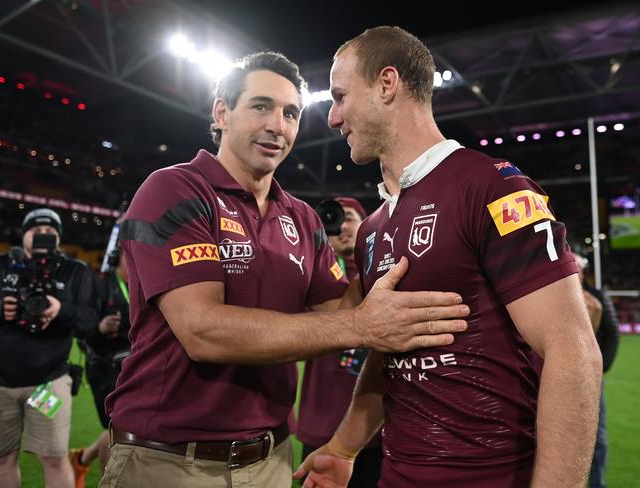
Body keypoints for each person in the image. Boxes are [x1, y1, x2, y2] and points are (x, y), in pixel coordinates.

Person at [100, 51, 469, 488]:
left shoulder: (302, 218)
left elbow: (338, 313)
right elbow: (203, 331)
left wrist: (397, 232)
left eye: (290, 113)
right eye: (261, 106)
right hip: (171, 462)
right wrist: (364, 325)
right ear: (221, 112)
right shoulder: (175, 189)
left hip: (273, 458)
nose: (278, 124)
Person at [295, 26, 603, 488]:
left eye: (340, 96)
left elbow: (573, 350)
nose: (333, 117)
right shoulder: (374, 228)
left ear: (387, 83)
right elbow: (390, 357)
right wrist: (343, 447)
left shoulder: (493, 187)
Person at [0, 208, 101, 488]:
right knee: (0, 460)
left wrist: (60, 308)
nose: (43, 236)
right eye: (36, 231)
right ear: (23, 234)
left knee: (53, 458)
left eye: (50, 232)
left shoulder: (75, 271)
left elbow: (90, 321)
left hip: (48, 383)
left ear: (60, 238)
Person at [298, 197, 382, 487]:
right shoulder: (309, 272)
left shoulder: (380, 272)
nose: (342, 226)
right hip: (319, 424)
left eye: (349, 217)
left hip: (373, 431)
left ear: (366, 225)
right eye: (333, 219)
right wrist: (321, 256)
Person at [69, 249, 131, 488]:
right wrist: (99, 327)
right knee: (115, 429)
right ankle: (108, 481)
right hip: (104, 367)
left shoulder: (144, 282)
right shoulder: (99, 285)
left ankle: (81, 459)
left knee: (126, 427)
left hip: (133, 365)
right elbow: (78, 326)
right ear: (121, 256)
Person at [575, 254, 620, 488]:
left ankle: (596, 484)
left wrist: (601, 367)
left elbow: (612, 335)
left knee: (596, 435)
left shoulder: (595, 300)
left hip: (589, 374)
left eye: (577, 267)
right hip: (552, 373)